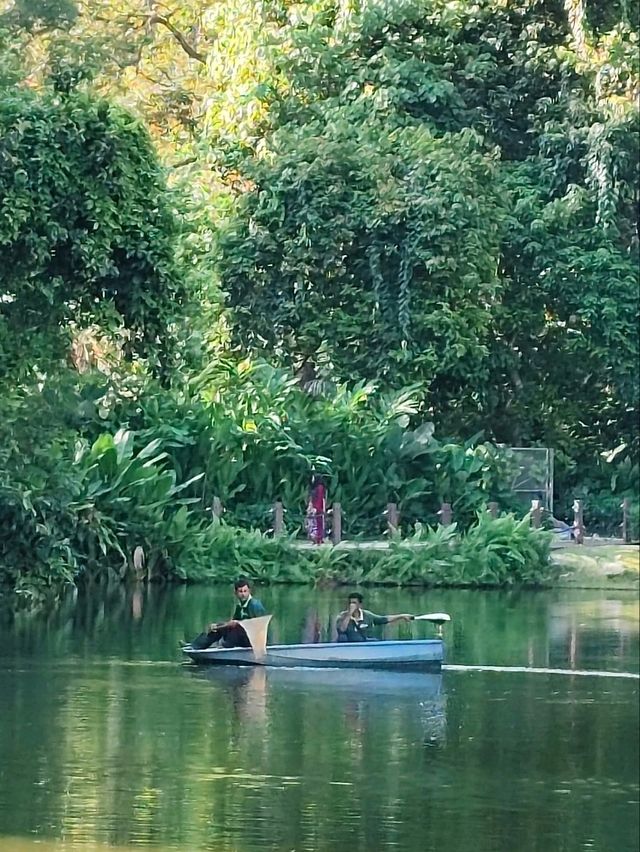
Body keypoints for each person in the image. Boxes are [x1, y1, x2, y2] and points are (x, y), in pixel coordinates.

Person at [189, 578, 267, 650]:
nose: (243, 594)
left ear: (249, 591)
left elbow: (260, 625)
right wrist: (217, 626)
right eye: (240, 591)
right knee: (217, 628)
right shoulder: (240, 606)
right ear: (236, 593)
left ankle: (225, 648)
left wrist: (239, 624)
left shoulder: (255, 605)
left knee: (232, 630)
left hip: (253, 640)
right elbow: (232, 622)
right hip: (244, 635)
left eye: (245, 591)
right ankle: (196, 646)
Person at [335, 592, 413, 642]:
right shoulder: (342, 616)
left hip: (364, 646)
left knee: (375, 640)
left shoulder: (367, 615)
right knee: (342, 637)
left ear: (360, 605)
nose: (351, 605)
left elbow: (383, 619)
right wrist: (349, 614)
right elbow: (342, 629)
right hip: (349, 647)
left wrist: (401, 616)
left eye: (354, 603)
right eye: (350, 603)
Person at [306, 473, 327, 544]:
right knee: (316, 523)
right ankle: (317, 538)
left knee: (318, 523)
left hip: (318, 507)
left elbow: (320, 499)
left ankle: (318, 538)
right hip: (316, 507)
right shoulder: (316, 487)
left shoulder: (320, 487)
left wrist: (317, 508)